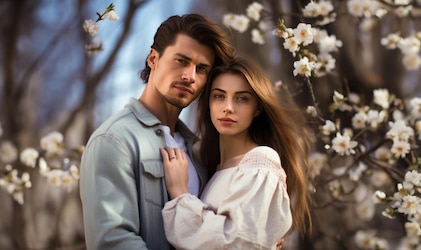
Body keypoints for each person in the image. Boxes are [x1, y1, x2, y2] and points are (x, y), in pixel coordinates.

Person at [79, 14, 235, 249]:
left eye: (201, 69)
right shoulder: (114, 140)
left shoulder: (200, 151)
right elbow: (113, 242)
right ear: (153, 58)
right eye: (181, 61)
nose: (190, 76)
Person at [159, 57, 312, 249]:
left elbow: (235, 243)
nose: (228, 108)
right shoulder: (210, 166)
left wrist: (180, 194)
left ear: (257, 108)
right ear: (208, 103)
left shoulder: (261, 161)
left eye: (241, 99)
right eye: (219, 96)